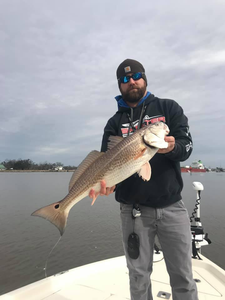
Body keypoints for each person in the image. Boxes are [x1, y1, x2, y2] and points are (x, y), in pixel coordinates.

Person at [90, 59, 197, 300]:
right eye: (125, 79)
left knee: (183, 276)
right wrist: (107, 185)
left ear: (145, 78)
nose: (132, 81)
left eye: (136, 75)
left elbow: (186, 146)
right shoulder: (114, 123)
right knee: (138, 278)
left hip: (172, 207)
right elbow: (106, 165)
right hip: (133, 211)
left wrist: (172, 148)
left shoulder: (169, 108)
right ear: (119, 86)